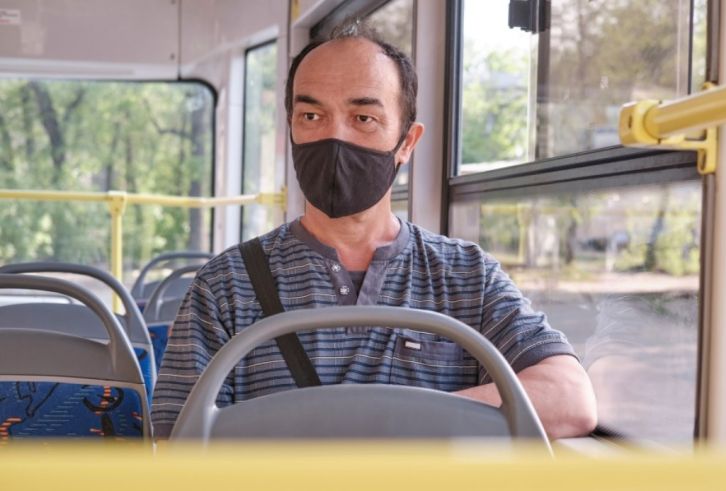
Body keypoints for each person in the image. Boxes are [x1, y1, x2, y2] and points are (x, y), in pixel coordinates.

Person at [151, 21, 597, 440]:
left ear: (406, 142)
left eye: (363, 119)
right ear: (290, 129)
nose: (334, 137)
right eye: (311, 116)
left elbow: (569, 396)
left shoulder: (466, 277)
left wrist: (384, 428)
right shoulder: (224, 286)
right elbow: (178, 443)